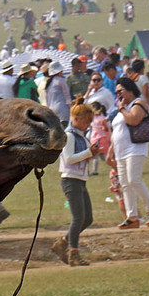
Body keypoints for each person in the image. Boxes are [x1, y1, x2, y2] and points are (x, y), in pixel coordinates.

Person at [109, 76, 149, 228]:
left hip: (135, 148)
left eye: (121, 91)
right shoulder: (121, 108)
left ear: (130, 89)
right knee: (125, 184)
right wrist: (111, 150)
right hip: (121, 150)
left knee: (134, 179)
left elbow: (134, 120)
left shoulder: (138, 103)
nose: (118, 94)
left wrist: (123, 109)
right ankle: (132, 217)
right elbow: (118, 129)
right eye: (116, 92)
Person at [54, 99, 95, 266]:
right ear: (76, 119)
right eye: (87, 121)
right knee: (78, 218)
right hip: (71, 179)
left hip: (79, 179)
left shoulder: (80, 136)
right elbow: (69, 159)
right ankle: (73, 253)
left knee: (87, 218)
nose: (88, 125)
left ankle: (62, 243)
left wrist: (90, 153)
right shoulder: (69, 136)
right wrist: (88, 152)